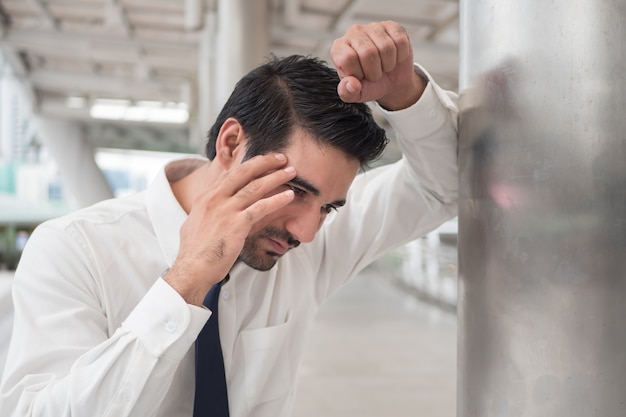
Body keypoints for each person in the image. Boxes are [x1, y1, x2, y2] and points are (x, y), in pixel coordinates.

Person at [0, 20, 458, 417]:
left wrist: (406, 96)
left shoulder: (304, 248)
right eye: (296, 190)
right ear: (232, 142)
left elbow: (443, 187)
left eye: (328, 207)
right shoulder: (74, 249)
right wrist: (183, 285)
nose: (307, 231)